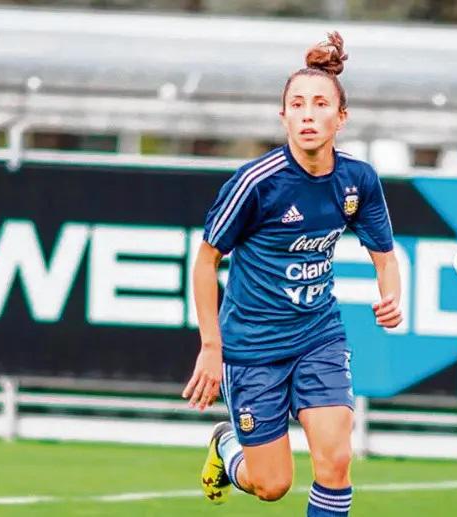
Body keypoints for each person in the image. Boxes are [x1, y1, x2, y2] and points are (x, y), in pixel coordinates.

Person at [181, 32, 402, 517]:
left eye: (320, 103)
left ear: (340, 118)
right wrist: (212, 347)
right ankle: (226, 447)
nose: (307, 113)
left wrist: (391, 296)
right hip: (254, 346)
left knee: (336, 461)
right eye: (296, 104)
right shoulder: (255, 183)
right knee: (271, 485)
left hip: (318, 336)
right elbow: (205, 260)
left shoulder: (358, 180)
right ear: (282, 116)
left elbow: (384, 254)